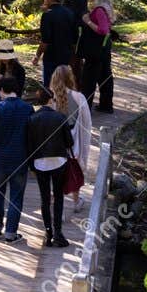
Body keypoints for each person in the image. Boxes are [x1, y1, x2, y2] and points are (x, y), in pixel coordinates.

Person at [0, 75, 32, 243]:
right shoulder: (28, 108)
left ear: (2, 90)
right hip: (21, 159)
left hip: (0, 160)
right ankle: (11, 233)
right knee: (16, 197)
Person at [27, 91, 74, 248]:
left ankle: (48, 233)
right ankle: (58, 233)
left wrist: (30, 164)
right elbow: (69, 142)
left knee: (44, 199)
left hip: (40, 162)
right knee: (58, 197)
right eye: (53, 99)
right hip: (59, 161)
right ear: (49, 100)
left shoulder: (32, 119)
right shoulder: (60, 117)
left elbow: (29, 144)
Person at [50, 65, 93, 211]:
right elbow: (87, 123)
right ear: (71, 78)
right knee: (74, 171)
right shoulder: (79, 97)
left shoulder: (51, 99)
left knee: (57, 174)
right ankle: (75, 202)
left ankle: (56, 203)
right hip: (73, 143)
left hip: (55, 144)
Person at [77, 0, 114, 110]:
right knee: (105, 76)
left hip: (96, 49)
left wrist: (87, 21)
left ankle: (85, 108)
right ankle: (106, 105)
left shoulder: (99, 10)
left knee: (89, 78)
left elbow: (103, 30)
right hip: (104, 47)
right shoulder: (107, 6)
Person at [35, 0, 79, 87]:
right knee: (62, 85)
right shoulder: (70, 13)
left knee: (50, 86)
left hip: (51, 56)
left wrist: (37, 56)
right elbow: (75, 38)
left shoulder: (47, 15)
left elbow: (45, 40)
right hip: (66, 56)